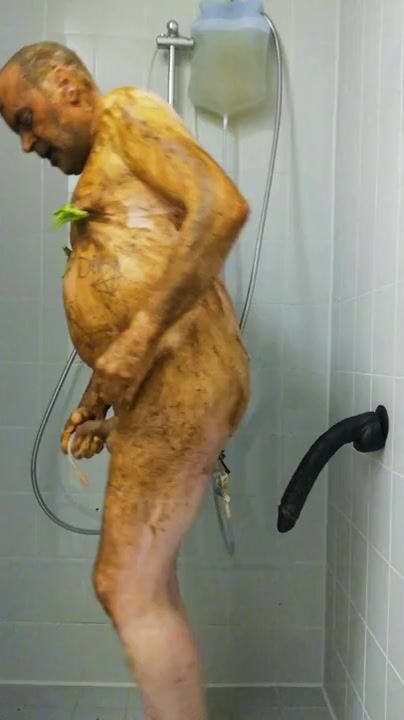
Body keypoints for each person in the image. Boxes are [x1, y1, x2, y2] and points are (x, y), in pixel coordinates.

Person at [0, 42, 250, 720]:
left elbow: (221, 207)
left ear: (66, 85)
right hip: (164, 384)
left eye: (26, 119)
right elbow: (137, 279)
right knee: (148, 581)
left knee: (121, 582)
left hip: (182, 380)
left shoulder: (126, 114)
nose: (25, 144)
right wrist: (97, 399)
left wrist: (137, 341)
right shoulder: (105, 163)